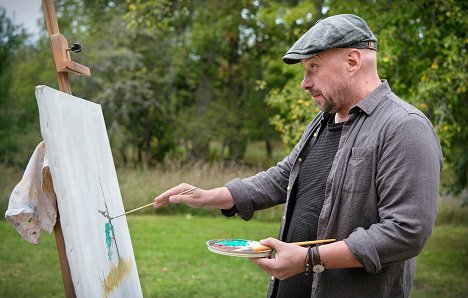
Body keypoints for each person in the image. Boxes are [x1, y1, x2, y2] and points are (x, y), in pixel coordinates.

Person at [153, 14, 442, 298]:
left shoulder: (404, 127)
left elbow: (406, 232)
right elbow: (284, 177)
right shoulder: (322, 122)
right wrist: (208, 196)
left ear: (352, 61)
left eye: (313, 67)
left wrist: (310, 259)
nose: (304, 83)